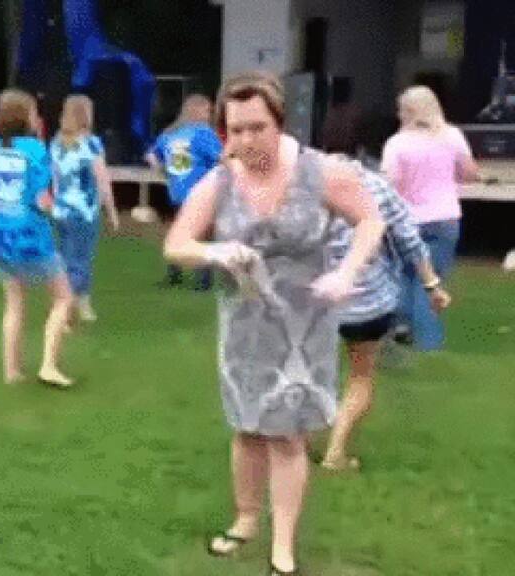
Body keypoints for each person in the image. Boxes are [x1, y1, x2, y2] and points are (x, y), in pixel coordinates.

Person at [164, 71, 384, 575]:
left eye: (256, 128)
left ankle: (282, 547)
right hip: (245, 324)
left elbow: (371, 220)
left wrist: (348, 271)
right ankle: (245, 519)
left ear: (280, 123)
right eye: (236, 130)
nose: (246, 140)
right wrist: (215, 251)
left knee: (286, 435)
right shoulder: (220, 181)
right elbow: (176, 244)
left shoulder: (320, 172)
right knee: (247, 427)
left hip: (304, 326)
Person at [318, 119, 452, 470]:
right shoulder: (375, 186)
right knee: (361, 376)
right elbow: (408, 239)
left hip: (314, 298)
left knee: (309, 373)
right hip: (366, 300)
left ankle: (296, 446)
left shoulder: (302, 185)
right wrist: (432, 285)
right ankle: (335, 452)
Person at [0, 89, 74, 387]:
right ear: (25, 117)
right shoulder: (35, 150)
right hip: (30, 237)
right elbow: (43, 199)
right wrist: (59, 211)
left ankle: (12, 371)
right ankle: (48, 366)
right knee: (63, 298)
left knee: (14, 303)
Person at [381, 85, 479, 350]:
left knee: (403, 275)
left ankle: (401, 328)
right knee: (432, 281)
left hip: (406, 219)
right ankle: (428, 341)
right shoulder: (452, 136)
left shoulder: (397, 143)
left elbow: (390, 182)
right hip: (445, 218)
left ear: (408, 111)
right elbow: (469, 173)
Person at [50, 94, 119, 323]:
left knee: (66, 259)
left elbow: (55, 179)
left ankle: (82, 304)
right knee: (80, 261)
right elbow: (103, 180)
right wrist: (112, 212)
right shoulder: (91, 144)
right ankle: (65, 310)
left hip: (61, 211)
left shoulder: (56, 142)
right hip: (84, 212)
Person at [147, 94, 222, 289]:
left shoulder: (171, 133)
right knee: (202, 235)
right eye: (207, 110)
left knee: (178, 232)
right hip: (200, 191)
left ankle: (174, 275)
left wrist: (164, 172)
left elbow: (151, 156)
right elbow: (220, 158)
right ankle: (203, 280)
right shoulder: (203, 133)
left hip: (177, 191)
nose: (210, 114)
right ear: (198, 111)